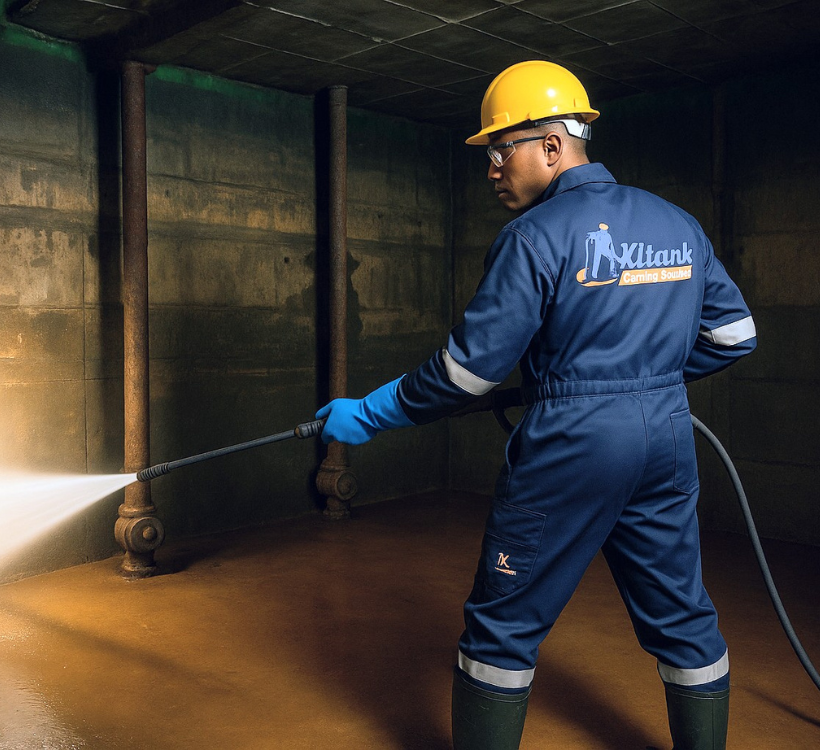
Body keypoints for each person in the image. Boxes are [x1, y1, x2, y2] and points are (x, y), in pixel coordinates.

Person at [316, 60, 757, 750]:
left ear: (551, 146)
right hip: (665, 437)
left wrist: (368, 414)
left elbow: (467, 374)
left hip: (574, 442)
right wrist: (648, 375)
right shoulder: (676, 223)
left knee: (505, 623)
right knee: (682, 616)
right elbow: (736, 336)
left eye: (501, 149)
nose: (492, 168)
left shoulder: (533, 237)